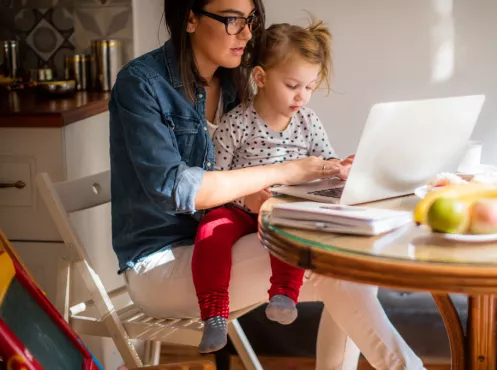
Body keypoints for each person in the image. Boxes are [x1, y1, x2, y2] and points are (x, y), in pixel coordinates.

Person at [108, 0, 424, 368]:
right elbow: (179, 190)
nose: (246, 33)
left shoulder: (237, 82)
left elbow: (250, 171)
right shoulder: (142, 84)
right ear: (190, 18)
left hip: (228, 244)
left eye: (250, 20)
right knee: (328, 262)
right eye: (231, 20)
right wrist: (286, 171)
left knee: (347, 264)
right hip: (162, 264)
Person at [192, 18, 355, 353]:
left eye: (309, 87)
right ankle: (214, 315)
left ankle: (284, 294)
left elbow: (326, 164)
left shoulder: (308, 122)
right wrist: (247, 197)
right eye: (293, 85)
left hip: (282, 209)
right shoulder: (236, 122)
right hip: (237, 209)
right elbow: (216, 182)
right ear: (261, 78)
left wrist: (341, 169)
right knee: (210, 232)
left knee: (294, 231)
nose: (302, 97)